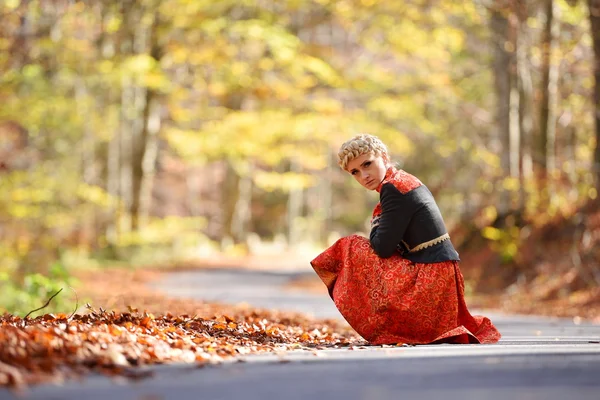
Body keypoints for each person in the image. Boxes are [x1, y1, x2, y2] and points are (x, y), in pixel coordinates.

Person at [310, 134, 501, 345]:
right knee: (355, 246)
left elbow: (382, 247)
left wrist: (375, 221)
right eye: (355, 172)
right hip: (440, 275)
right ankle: (386, 321)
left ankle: (380, 324)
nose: (364, 175)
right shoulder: (402, 180)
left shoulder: (393, 188)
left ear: (383, 157)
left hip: (431, 278)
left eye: (367, 164)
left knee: (350, 246)